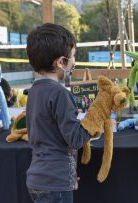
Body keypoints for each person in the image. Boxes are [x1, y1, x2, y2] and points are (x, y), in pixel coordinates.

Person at [25, 23, 98, 203]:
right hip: (54, 183)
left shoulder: (34, 91)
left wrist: (68, 176)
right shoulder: (60, 93)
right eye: (72, 57)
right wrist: (95, 118)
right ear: (61, 62)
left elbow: (49, 136)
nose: (73, 61)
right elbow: (75, 139)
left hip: (39, 179)